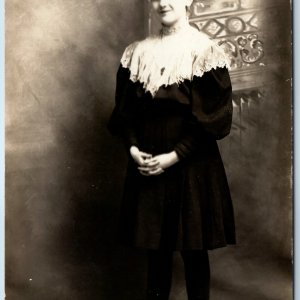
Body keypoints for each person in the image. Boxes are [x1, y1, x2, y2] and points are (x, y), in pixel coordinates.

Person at [108, 0, 236, 299]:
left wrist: (175, 155)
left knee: (193, 253)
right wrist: (132, 149)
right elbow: (125, 113)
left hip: (190, 164)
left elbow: (212, 119)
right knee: (157, 253)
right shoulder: (136, 53)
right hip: (148, 162)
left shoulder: (203, 51)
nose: (163, 2)